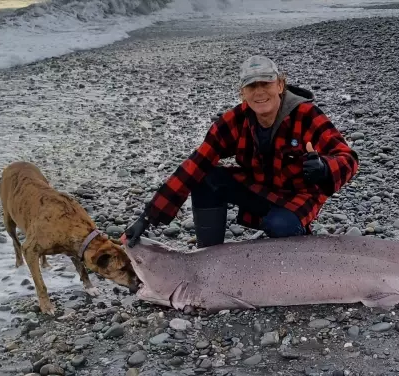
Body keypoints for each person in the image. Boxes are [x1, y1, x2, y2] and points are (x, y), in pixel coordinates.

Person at [125, 55, 358, 248]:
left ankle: (296, 240)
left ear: (280, 85)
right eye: (251, 86)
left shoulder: (307, 115)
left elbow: (348, 157)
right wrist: (147, 217)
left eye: (265, 84)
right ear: (242, 92)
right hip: (259, 188)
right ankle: (207, 256)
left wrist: (325, 168)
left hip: (296, 197)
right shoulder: (234, 121)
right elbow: (194, 165)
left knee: (281, 226)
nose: (259, 92)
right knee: (206, 177)